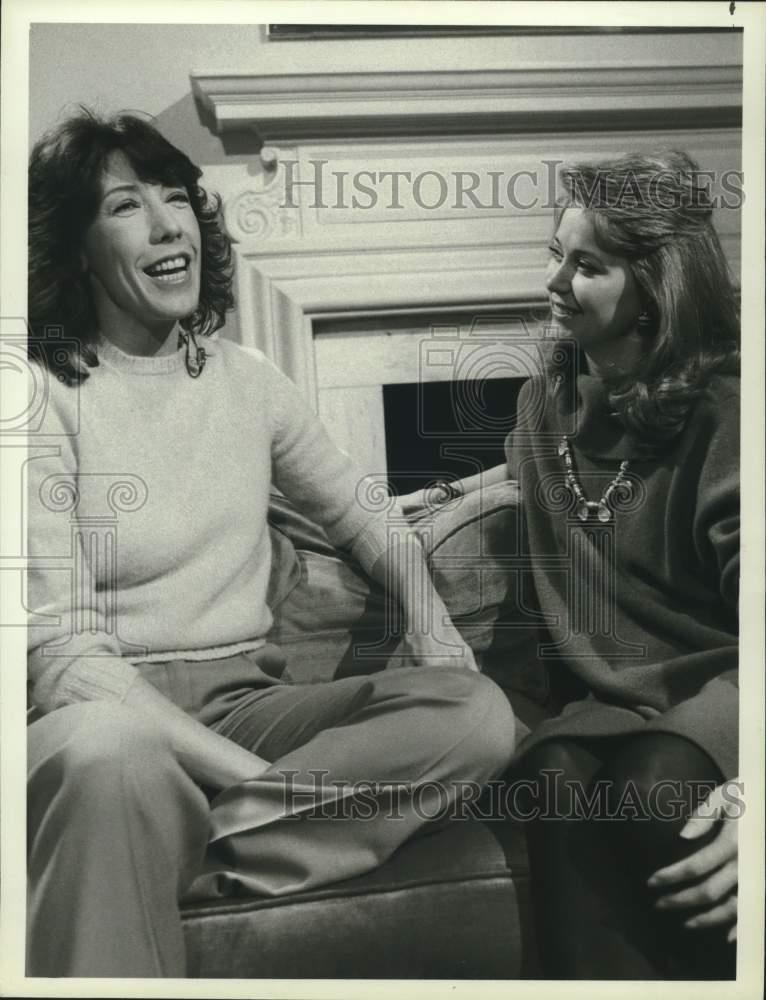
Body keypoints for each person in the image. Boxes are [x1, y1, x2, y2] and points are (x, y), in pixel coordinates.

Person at [25, 109, 516, 978]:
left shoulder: (248, 380)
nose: (170, 224)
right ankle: (185, 836)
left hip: (247, 693)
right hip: (108, 717)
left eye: (177, 198)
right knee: (111, 756)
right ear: (74, 248)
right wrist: (251, 780)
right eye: (127, 207)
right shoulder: (33, 395)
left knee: (473, 714)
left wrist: (433, 623)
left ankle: (170, 855)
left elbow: (365, 512)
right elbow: (63, 659)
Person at [402, 151, 740, 980]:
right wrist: (420, 502)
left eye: (586, 265)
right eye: (555, 253)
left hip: (726, 684)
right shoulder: (546, 401)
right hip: (612, 701)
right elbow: (531, 475)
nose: (555, 280)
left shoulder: (728, 410)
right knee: (550, 772)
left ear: (654, 288)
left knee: (655, 784)